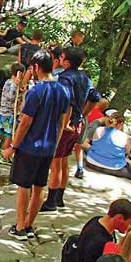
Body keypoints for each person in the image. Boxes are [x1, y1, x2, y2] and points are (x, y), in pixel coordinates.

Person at [3, 50, 70, 241]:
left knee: (24, 187)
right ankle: (30, 224)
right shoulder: (63, 90)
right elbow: (62, 122)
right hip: (49, 147)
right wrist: (55, 145)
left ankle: (20, 226)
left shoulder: (36, 91)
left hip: (30, 147)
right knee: (39, 186)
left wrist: (13, 146)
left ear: (36, 67)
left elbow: (25, 122)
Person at [41, 46, 100, 212]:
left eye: (62, 58)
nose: (59, 60)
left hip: (65, 126)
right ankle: (59, 198)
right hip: (77, 124)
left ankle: (51, 202)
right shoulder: (84, 77)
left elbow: (66, 102)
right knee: (64, 160)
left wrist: (64, 123)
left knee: (56, 162)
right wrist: (82, 114)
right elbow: (95, 97)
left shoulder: (65, 78)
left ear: (66, 61)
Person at [83, 112, 131, 196]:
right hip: (113, 168)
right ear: (120, 124)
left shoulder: (98, 130)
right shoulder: (124, 136)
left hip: (91, 162)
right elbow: (127, 151)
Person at [69, 198, 131, 262]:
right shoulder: (98, 242)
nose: (130, 227)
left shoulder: (98, 219)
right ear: (119, 218)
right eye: (130, 223)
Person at [0, 63, 25, 161]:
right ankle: (4, 155)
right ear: (19, 74)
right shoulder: (11, 83)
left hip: (3, 112)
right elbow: (10, 96)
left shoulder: (8, 82)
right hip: (8, 114)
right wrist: (16, 85)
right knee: (8, 134)